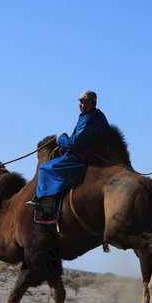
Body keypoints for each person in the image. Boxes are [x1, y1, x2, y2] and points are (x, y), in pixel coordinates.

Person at [27, 90, 109, 218]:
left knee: (45, 168)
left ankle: (47, 202)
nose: (82, 105)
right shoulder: (98, 116)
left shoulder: (89, 119)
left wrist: (60, 140)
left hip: (81, 157)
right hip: (91, 153)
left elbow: (74, 143)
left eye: (85, 103)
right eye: (81, 102)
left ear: (93, 103)